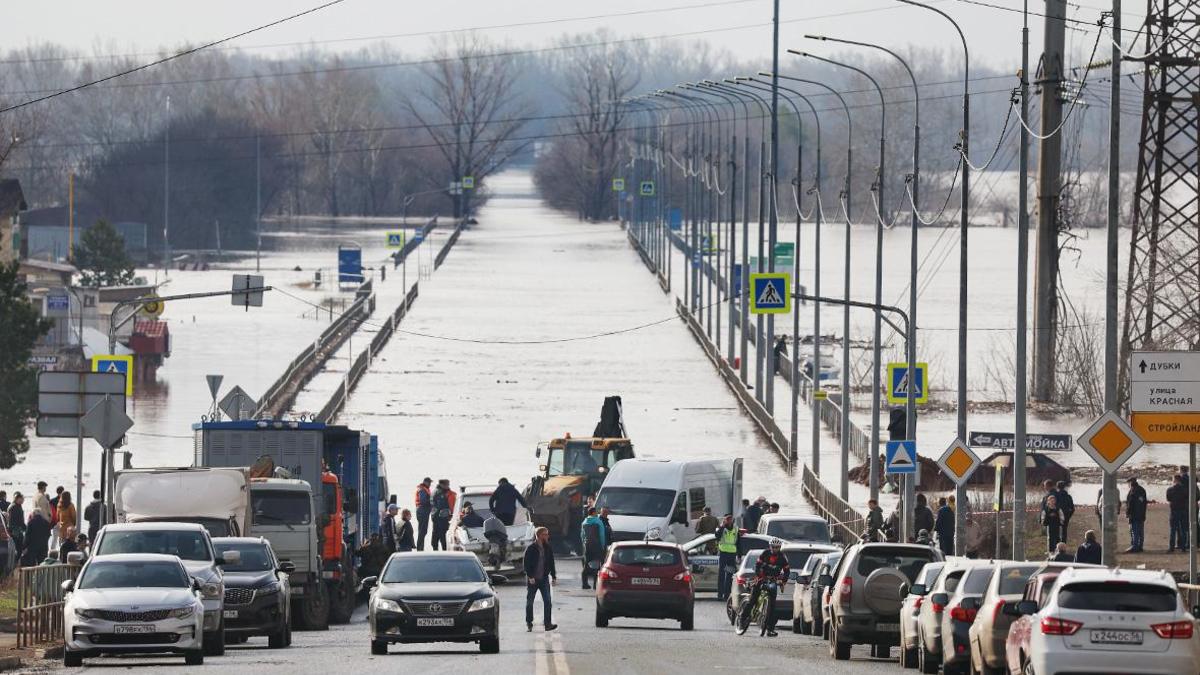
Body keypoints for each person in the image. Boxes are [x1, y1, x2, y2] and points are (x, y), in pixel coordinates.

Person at [746, 538, 790, 637]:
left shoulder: (783, 557)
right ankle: (743, 618)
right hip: (762, 578)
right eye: (773, 547)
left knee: (772, 607)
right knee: (753, 599)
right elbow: (757, 565)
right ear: (770, 547)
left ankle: (770, 629)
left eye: (777, 547)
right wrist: (758, 576)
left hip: (773, 581)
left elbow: (787, 571)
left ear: (780, 547)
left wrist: (783, 581)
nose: (775, 549)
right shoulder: (765, 553)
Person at [522, 527, 557, 632]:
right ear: (539, 535)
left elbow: (551, 562)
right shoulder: (531, 548)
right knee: (529, 603)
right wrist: (530, 576)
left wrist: (554, 576)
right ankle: (529, 622)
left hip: (544, 579)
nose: (547, 536)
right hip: (533, 580)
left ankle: (547, 624)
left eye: (547, 534)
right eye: (545, 534)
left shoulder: (548, 548)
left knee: (547, 601)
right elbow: (526, 564)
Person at [715, 514, 741, 601]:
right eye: (727, 520)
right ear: (725, 521)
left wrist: (739, 555)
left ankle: (726, 595)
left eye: (730, 520)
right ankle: (720, 594)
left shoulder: (736, 529)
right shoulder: (722, 528)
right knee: (721, 575)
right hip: (723, 554)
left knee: (729, 575)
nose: (729, 521)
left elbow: (739, 543)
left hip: (731, 555)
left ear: (732, 521)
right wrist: (722, 526)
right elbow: (717, 536)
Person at [579, 508, 607, 589]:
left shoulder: (584, 522)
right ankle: (595, 585)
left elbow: (582, 536)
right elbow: (602, 535)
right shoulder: (598, 521)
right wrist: (603, 545)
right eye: (596, 512)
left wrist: (584, 545)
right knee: (597, 565)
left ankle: (584, 584)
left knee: (586, 565)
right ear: (594, 513)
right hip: (597, 546)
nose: (597, 513)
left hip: (587, 546)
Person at [1125, 477, 1148, 553]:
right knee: (1140, 531)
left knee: (1134, 531)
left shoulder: (1133, 491)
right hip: (1141, 513)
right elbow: (1144, 502)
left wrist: (1128, 513)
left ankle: (1134, 546)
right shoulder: (1142, 490)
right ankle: (1140, 546)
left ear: (1131, 483)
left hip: (1134, 514)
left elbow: (1130, 503)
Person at [1166, 474, 1189, 552]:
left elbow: (1168, 499)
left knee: (1173, 530)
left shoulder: (1170, 489)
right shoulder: (1185, 489)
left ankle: (1171, 547)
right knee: (1183, 529)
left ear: (1175, 480)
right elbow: (1187, 498)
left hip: (1174, 511)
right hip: (1183, 510)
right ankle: (1183, 547)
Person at [431, 482, 452, 551]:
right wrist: (447, 515)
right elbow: (441, 506)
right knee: (442, 536)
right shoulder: (440, 493)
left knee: (435, 535)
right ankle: (444, 551)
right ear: (443, 485)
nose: (448, 486)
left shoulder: (434, 491)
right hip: (440, 518)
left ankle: (435, 550)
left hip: (435, 517)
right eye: (447, 485)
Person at [414, 477, 432, 551]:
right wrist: (432, 500)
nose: (430, 484)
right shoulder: (422, 489)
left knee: (423, 531)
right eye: (429, 482)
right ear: (425, 482)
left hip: (423, 511)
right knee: (422, 531)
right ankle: (420, 549)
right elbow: (423, 501)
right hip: (422, 511)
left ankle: (421, 548)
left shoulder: (424, 489)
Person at [6, 493, 25, 563]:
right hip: (15, 531)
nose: (23, 500)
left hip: (14, 530)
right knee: (19, 548)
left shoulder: (16, 506)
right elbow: (16, 520)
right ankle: (15, 564)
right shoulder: (15, 507)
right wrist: (25, 528)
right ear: (17, 499)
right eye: (22, 499)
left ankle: (15, 563)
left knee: (18, 549)